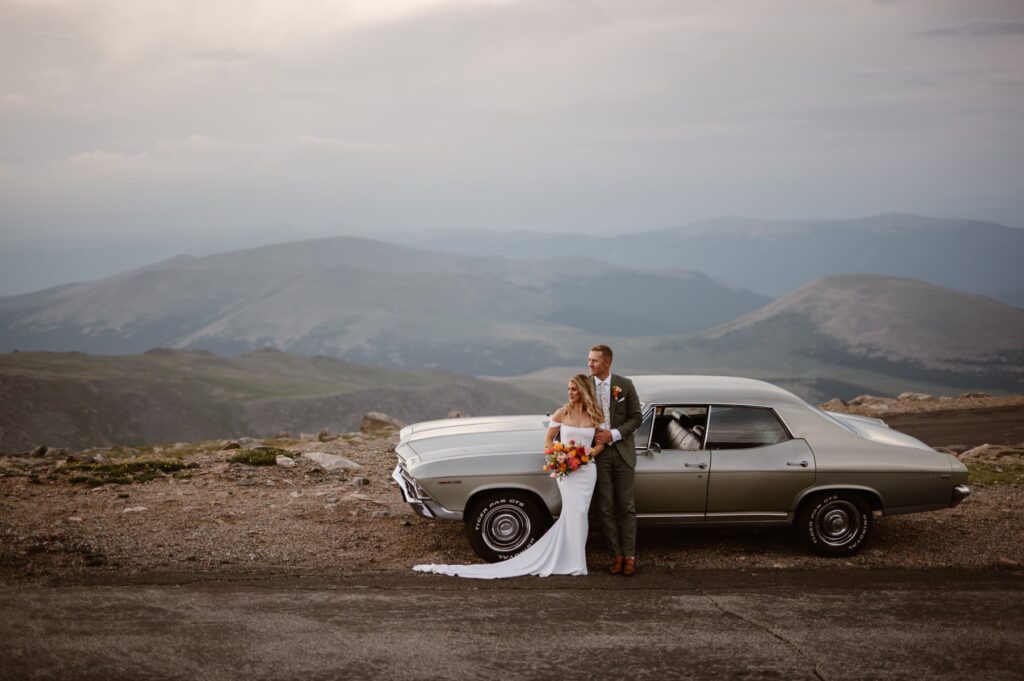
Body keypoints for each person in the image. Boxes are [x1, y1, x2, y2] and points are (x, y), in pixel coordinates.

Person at [412, 374, 604, 578]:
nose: (570, 393)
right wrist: (560, 457)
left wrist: (587, 455)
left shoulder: (595, 415)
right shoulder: (561, 413)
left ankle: (574, 559)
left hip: (586, 470)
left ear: (584, 391)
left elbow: (600, 443)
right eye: (568, 389)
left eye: (574, 389)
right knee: (573, 512)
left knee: (581, 513)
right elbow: (548, 440)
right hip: (566, 472)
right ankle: (573, 561)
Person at [588, 344, 643, 576]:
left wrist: (614, 433)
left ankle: (630, 557)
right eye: (589, 360)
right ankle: (616, 556)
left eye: (594, 361)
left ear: (607, 363)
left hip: (622, 453)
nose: (590, 364)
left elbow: (636, 418)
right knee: (605, 507)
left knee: (626, 507)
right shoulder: (585, 386)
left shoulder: (625, 385)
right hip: (598, 454)